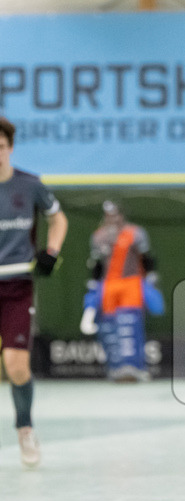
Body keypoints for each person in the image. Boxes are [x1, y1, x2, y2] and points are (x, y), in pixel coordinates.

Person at [0, 116, 68, 469]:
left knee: (16, 366)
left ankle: (25, 427)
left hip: (16, 287)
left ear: (10, 148)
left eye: (0, 147)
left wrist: (51, 252)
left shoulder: (29, 186)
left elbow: (58, 219)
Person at [82, 200, 162, 382]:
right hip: (109, 285)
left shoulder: (135, 233)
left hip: (131, 283)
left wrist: (151, 279)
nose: (112, 219)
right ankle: (116, 367)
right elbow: (96, 265)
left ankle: (135, 367)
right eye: (108, 215)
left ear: (122, 215)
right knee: (109, 326)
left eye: (115, 214)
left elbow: (147, 258)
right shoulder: (98, 237)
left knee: (130, 324)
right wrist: (93, 286)